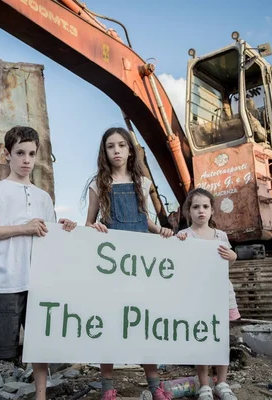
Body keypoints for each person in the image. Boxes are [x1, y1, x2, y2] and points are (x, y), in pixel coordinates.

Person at [0, 126, 77, 400]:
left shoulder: (43, 197)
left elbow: (48, 236)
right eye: (20, 153)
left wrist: (64, 227)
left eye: (31, 154)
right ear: (7, 154)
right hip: (7, 282)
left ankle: (41, 397)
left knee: (39, 347)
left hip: (38, 284)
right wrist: (23, 228)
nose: (26, 160)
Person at [84, 127, 174, 400]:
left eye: (122, 145)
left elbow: (144, 221)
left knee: (144, 322)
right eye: (111, 146)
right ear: (105, 151)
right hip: (113, 265)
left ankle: (154, 385)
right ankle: (108, 387)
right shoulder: (98, 184)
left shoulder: (143, 184)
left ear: (130, 150)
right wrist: (94, 227)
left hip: (141, 264)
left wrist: (162, 231)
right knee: (110, 322)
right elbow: (88, 223)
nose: (117, 151)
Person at [176, 188, 240, 400]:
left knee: (222, 339)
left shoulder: (220, 236)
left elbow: (228, 259)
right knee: (201, 338)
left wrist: (233, 256)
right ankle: (204, 384)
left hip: (221, 293)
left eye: (205, 207)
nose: (201, 211)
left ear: (212, 210)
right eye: (196, 207)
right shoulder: (184, 236)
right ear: (188, 211)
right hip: (198, 296)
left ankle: (222, 383)